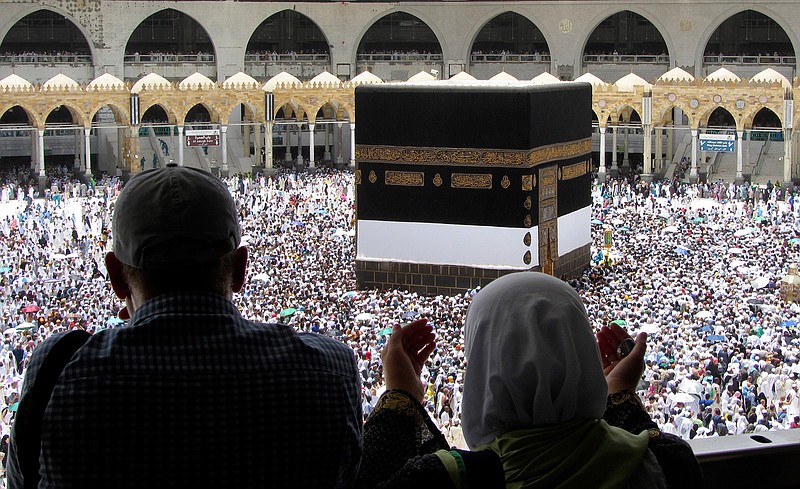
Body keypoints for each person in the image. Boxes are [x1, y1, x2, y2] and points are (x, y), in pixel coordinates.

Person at [7, 165, 362, 488]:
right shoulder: (329, 371)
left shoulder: (58, 372)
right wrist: (400, 402)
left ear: (115, 276)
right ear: (240, 269)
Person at [359, 272, 702, 488]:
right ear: (581, 352)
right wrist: (619, 394)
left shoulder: (441, 478)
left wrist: (400, 396)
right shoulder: (668, 462)